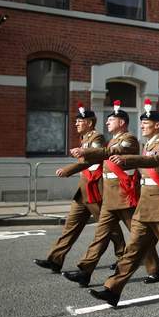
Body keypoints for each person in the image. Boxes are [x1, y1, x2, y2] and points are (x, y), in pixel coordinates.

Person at [88, 99, 159, 306]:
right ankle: (112, 289)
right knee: (132, 250)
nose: (141, 126)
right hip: (144, 204)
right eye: (141, 123)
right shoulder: (146, 144)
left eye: (145, 123)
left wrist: (130, 160)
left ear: (157, 125)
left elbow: (157, 161)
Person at [61, 100, 159, 287]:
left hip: (125, 197)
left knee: (138, 236)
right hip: (109, 198)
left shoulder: (129, 139)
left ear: (121, 122)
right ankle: (85, 271)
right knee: (100, 235)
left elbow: (112, 152)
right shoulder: (113, 139)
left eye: (111, 120)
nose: (107, 123)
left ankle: (155, 269)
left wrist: (87, 151)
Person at [33, 102, 125, 273]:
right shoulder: (84, 139)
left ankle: (124, 257)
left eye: (79, 121)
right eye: (76, 121)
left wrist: (68, 170)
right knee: (71, 226)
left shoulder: (97, 138)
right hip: (83, 191)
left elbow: (91, 160)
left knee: (109, 227)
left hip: (95, 189)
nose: (76, 124)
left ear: (89, 123)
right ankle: (55, 259)